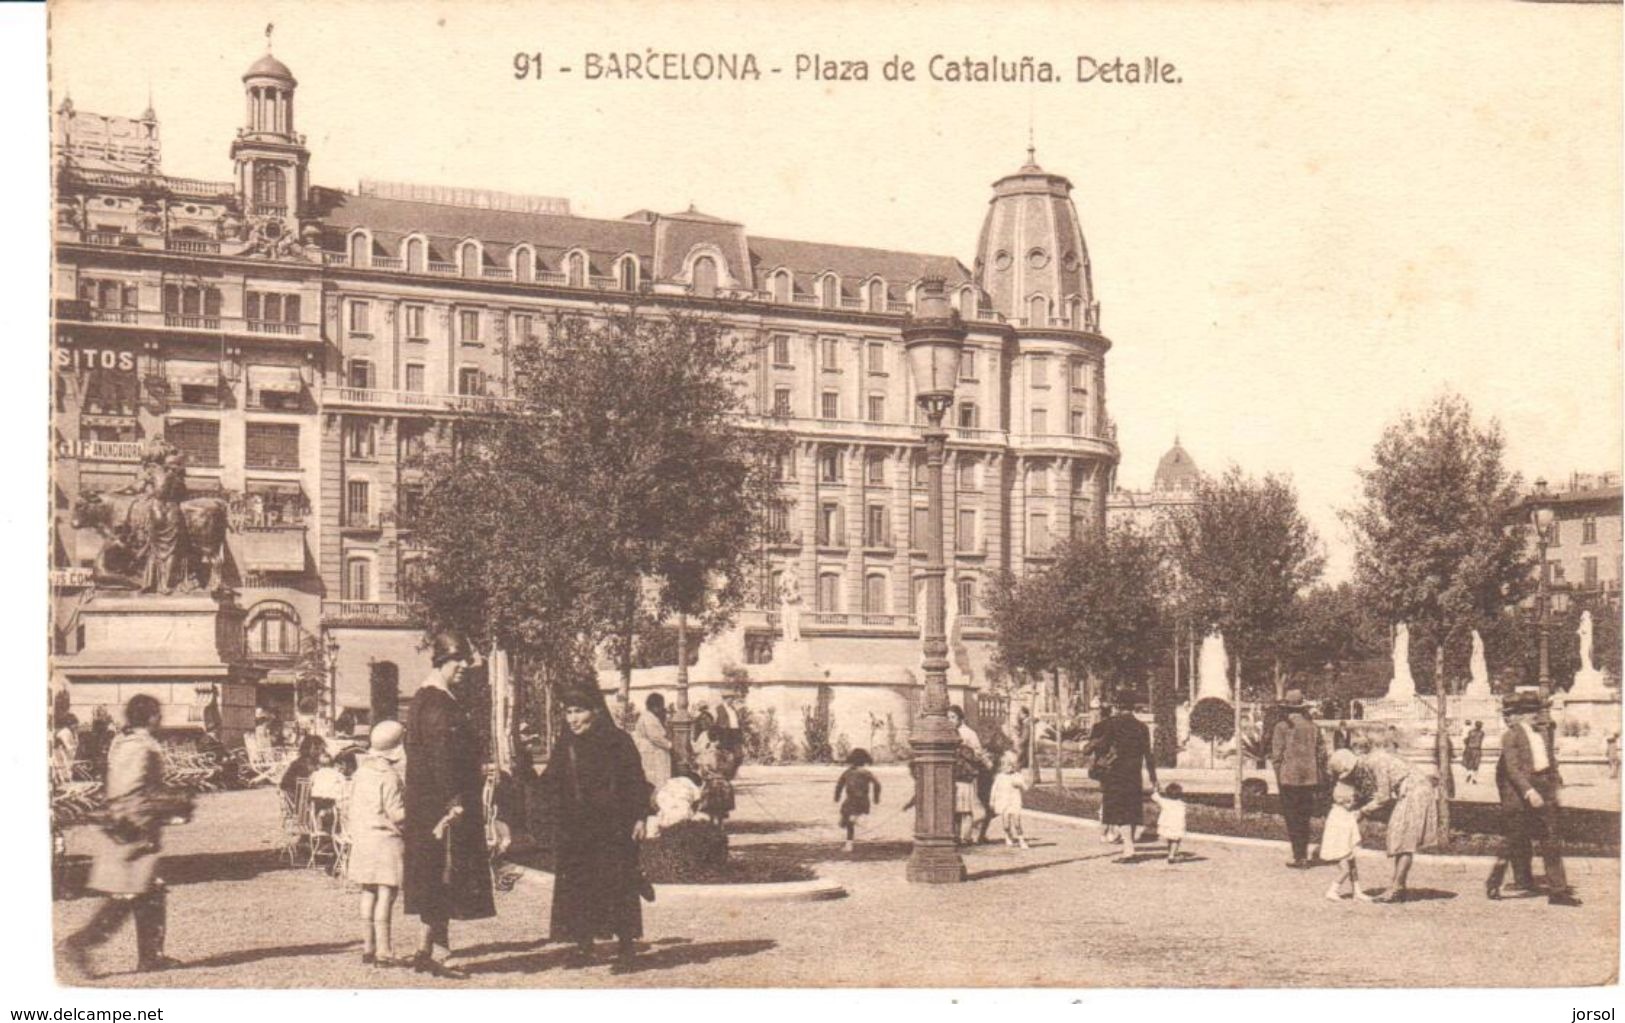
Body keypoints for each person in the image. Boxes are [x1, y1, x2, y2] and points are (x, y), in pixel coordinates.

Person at [62, 695, 191, 977]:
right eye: (158, 714)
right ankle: (79, 944)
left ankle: (150, 956)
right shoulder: (140, 746)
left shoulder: (124, 741)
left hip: (130, 825)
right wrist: (166, 805)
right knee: (131, 892)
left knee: (148, 889)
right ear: (151, 717)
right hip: (132, 828)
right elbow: (130, 789)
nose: (161, 719)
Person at [402, 633, 496, 978]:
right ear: (441, 661)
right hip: (443, 805)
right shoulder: (439, 703)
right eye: (458, 662)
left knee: (433, 874)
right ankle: (441, 953)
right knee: (445, 874)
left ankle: (424, 948)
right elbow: (442, 757)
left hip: (428, 803)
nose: (463, 668)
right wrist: (454, 800)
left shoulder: (425, 698)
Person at [541, 680, 653, 962]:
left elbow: (636, 782)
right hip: (577, 830)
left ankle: (626, 945)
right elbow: (551, 782)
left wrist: (639, 817)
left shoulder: (618, 742)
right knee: (580, 885)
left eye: (579, 711)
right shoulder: (566, 745)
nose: (573, 719)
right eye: (568, 712)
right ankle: (583, 944)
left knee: (618, 885)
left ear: (596, 712)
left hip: (613, 828)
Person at [1486, 693, 1581, 907]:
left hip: (1544, 790)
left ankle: (1558, 892)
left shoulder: (1543, 733)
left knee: (1551, 839)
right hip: (1523, 795)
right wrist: (1529, 791)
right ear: (1520, 714)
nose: (1535, 715)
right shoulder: (1511, 735)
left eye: (1536, 710)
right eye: (1530, 711)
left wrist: (1553, 785)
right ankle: (1494, 880)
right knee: (1514, 841)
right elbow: (1512, 769)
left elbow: (1548, 762)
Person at [1328, 744, 1439, 903]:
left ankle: (1396, 888)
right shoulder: (1371, 761)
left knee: (1403, 840)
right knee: (1400, 838)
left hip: (1414, 791)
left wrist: (1361, 812)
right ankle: (1398, 886)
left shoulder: (1375, 763)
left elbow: (1383, 797)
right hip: (1413, 790)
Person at [348, 721, 407, 966]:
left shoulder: (360, 773)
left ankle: (367, 946)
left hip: (363, 838)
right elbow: (397, 813)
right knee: (386, 894)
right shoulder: (390, 777)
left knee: (367, 891)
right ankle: (385, 950)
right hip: (386, 840)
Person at [1083, 693, 1158, 863]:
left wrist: (1087, 747)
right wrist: (1153, 777)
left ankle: (1129, 849)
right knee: (1131, 809)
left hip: (1114, 774)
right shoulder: (1142, 727)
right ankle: (1129, 846)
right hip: (1133, 774)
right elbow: (1148, 754)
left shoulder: (1111, 725)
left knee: (1119, 812)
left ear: (1117, 706)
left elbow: (1099, 745)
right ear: (1133, 707)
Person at [1269, 689, 1324, 869]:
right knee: (1304, 817)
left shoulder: (1282, 727)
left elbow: (1276, 756)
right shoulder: (1313, 727)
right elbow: (1321, 754)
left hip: (1289, 779)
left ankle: (1298, 856)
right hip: (1309, 779)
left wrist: (1279, 776)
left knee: (1292, 818)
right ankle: (1304, 855)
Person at [1319, 779, 1372, 903]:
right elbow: (1340, 830)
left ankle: (1357, 891)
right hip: (1340, 846)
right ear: (1341, 801)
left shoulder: (1342, 811)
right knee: (1345, 870)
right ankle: (1332, 890)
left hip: (1346, 844)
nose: (1352, 804)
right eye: (1349, 801)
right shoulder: (1337, 814)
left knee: (1353, 867)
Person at [947, 705, 989, 844]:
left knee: (965, 808)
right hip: (952, 775)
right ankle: (955, 836)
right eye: (948, 717)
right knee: (954, 808)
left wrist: (966, 753)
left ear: (960, 718)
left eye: (953, 717)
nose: (950, 720)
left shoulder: (968, 733)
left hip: (965, 775)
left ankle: (965, 836)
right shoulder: (948, 732)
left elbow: (978, 753)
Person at [834, 748, 881, 851]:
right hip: (853, 801)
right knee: (845, 819)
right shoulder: (862, 772)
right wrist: (876, 798)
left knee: (850, 822)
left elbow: (839, 785)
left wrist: (837, 796)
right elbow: (877, 784)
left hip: (859, 801)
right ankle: (850, 823)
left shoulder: (852, 772)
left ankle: (849, 844)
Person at [632, 693, 674, 791]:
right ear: (655, 706)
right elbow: (655, 737)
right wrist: (669, 745)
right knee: (655, 779)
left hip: (652, 751)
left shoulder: (650, 717)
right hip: (651, 752)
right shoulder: (648, 718)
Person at [989, 750, 1031, 849]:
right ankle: (1008, 835)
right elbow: (994, 789)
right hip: (1003, 802)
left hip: (1014, 801)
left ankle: (1021, 840)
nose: (1007, 768)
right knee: (1006, 824)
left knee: (1017, 822)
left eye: (1010, 765)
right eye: (1004, 766)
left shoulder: (1017, 776)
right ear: (1001, 767)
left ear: (1013, 766)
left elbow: (1026, 788)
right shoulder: (1000, 777)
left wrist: (1020, 784)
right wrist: (992, 800)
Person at [280, 734, 328, 801]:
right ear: (307, 748)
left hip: (307, 796)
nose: (319, 752)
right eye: (316, 748)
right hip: (299, 799)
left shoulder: (315, 763)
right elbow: (287, 785)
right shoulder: (300, 764)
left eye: (321, 749)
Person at [1151, 782, 1186, 863]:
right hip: (1177, 825)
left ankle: (1171, 853)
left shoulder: (1165, 802)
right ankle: (1172, 855)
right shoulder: (1182, 804)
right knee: (1176, 840)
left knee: (1170, 839)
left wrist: (1156, 790)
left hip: (1166, 824)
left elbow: (1154, 797)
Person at [1462, 721, 1486, 785]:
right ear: (1481, 726)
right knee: (1476, 764)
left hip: (1470, 749)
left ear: (1475, 725)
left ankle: (1469, 773)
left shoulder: (1471, 732)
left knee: (1469, 763)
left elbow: (1466, 740)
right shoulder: (1482, 733)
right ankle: (1474, 779)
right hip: (1477, 749)